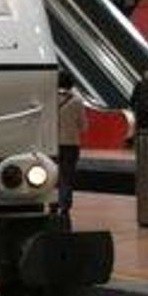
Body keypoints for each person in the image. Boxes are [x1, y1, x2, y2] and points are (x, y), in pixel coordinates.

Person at [56, 70, 85, 214]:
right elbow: (83, 126)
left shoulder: (50, 98)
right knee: (67, 176)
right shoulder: (77, 101)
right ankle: (65, 206)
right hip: (71, 144)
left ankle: (52, 203)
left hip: (52, 143)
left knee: (53, 174)